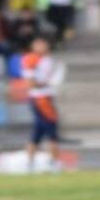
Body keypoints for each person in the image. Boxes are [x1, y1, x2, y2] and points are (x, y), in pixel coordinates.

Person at [23, 37, 64, 172]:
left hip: (47, 97)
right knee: (51, 130)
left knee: (38, 132)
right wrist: (48, 83)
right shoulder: (31, 59)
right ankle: (54, 162)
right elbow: (30, 83)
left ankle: (30, 162)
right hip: (40, 99)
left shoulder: (50, 60)